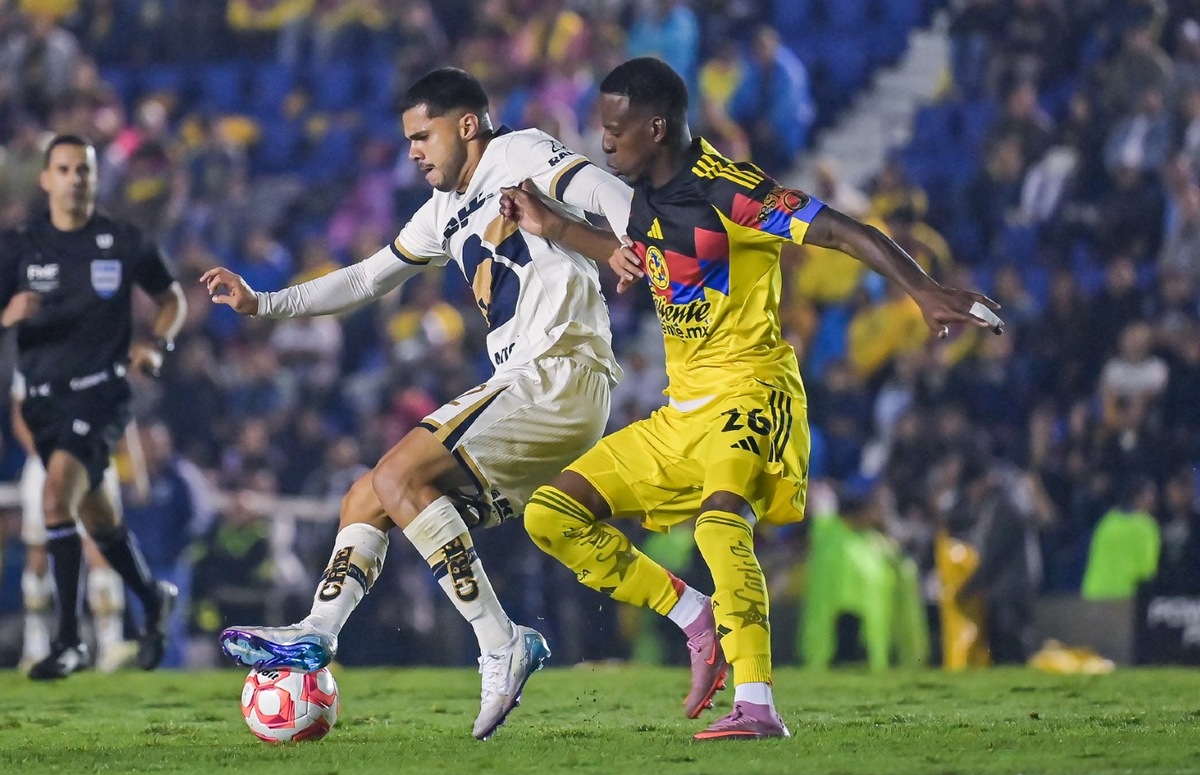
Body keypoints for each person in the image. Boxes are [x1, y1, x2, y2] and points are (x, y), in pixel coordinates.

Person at [202, 68, 722, 740]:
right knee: (370, 496)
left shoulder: (521, 153)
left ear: (467, 125)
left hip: (558, 375)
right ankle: (316, 634)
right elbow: (368, 278)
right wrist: (264, 303)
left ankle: (501, 642)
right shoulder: (445, 209)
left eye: (424, 136)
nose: (414, 151)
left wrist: (637, 236)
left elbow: (596, 187)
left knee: (397, 475)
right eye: (409, 140)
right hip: (533, 392)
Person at [503, 57, 1002, 739]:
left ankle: (758, 704)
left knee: (717, 524)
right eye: (601, 127)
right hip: (683, 413)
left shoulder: (725, 191)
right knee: (551, 515)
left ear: (656, 127)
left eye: (616, 129)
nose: (605, 141)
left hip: (751, 388)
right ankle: (691, 615)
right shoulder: (646, 193)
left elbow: (836, 228)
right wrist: (551, 227)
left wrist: (922, 289)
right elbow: (637, 249)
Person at [0, 133, 186, 680]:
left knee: (57, 498)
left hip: (101, 393)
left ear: (96, 178)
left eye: (84, 170)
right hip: (40, 401)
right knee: (97, 518)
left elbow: (171, 297)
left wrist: (156, 343)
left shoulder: (122, 240)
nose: (75, 179)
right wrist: (8, 315)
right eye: (64, 169)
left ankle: (67, 641)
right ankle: (152, 599)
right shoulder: (20, 247)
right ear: (45, 178)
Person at [15, 376, 149, 674]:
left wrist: (135, 464)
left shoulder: (99, 349)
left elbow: (121, 411)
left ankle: (110, 644)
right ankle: (35, 646)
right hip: (45, 462)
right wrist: (49, 453)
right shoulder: (35, 356)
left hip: (93, 456)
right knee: (39, 552)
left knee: (100, 547)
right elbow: (19, 414)